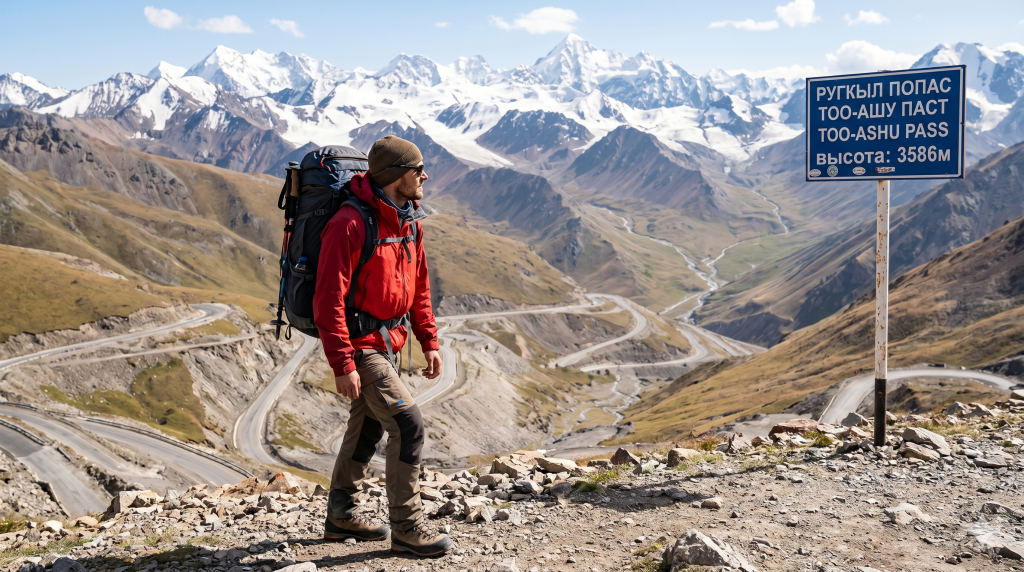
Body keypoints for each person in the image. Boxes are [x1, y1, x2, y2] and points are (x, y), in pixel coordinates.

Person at [313, 135, 452, 556]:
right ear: (396, 176)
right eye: (417, 169)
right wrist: (343, 363)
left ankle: (340, 516)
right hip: (361, 346)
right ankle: (407, 528)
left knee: (369, 426)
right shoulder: (350, 224)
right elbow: (328, 299)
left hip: (390, 341)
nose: (425, 175)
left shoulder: (409, 219)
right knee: (408, 426)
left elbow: (419, 286)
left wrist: (428, 339)